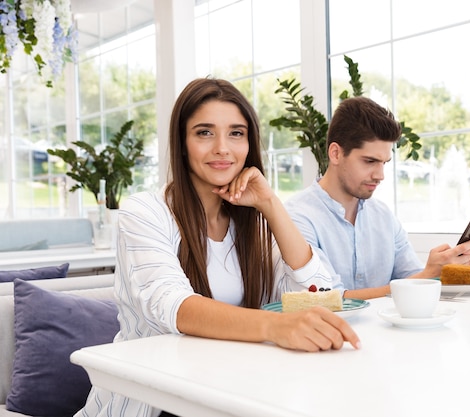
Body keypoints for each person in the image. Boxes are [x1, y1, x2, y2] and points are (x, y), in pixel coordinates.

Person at [76, 78, 360, 417]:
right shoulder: (145, 212)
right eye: (204, 133)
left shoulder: (255, 225)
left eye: (236, 133)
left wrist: (271, 204)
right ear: (182, 143)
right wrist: (275, 326)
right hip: (150, 406)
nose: (222, 148)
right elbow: (175, 307)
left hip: (229, 396)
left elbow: (322, 293)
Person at [285, 96, 470, 300]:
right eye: (370, 161)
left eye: (384, 163)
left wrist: (458, 275)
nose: (380, 175)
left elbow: (413, 280)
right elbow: (330, 300)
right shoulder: (296, 218)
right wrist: (427, 275)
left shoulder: (383, 216)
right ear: (336, 154)